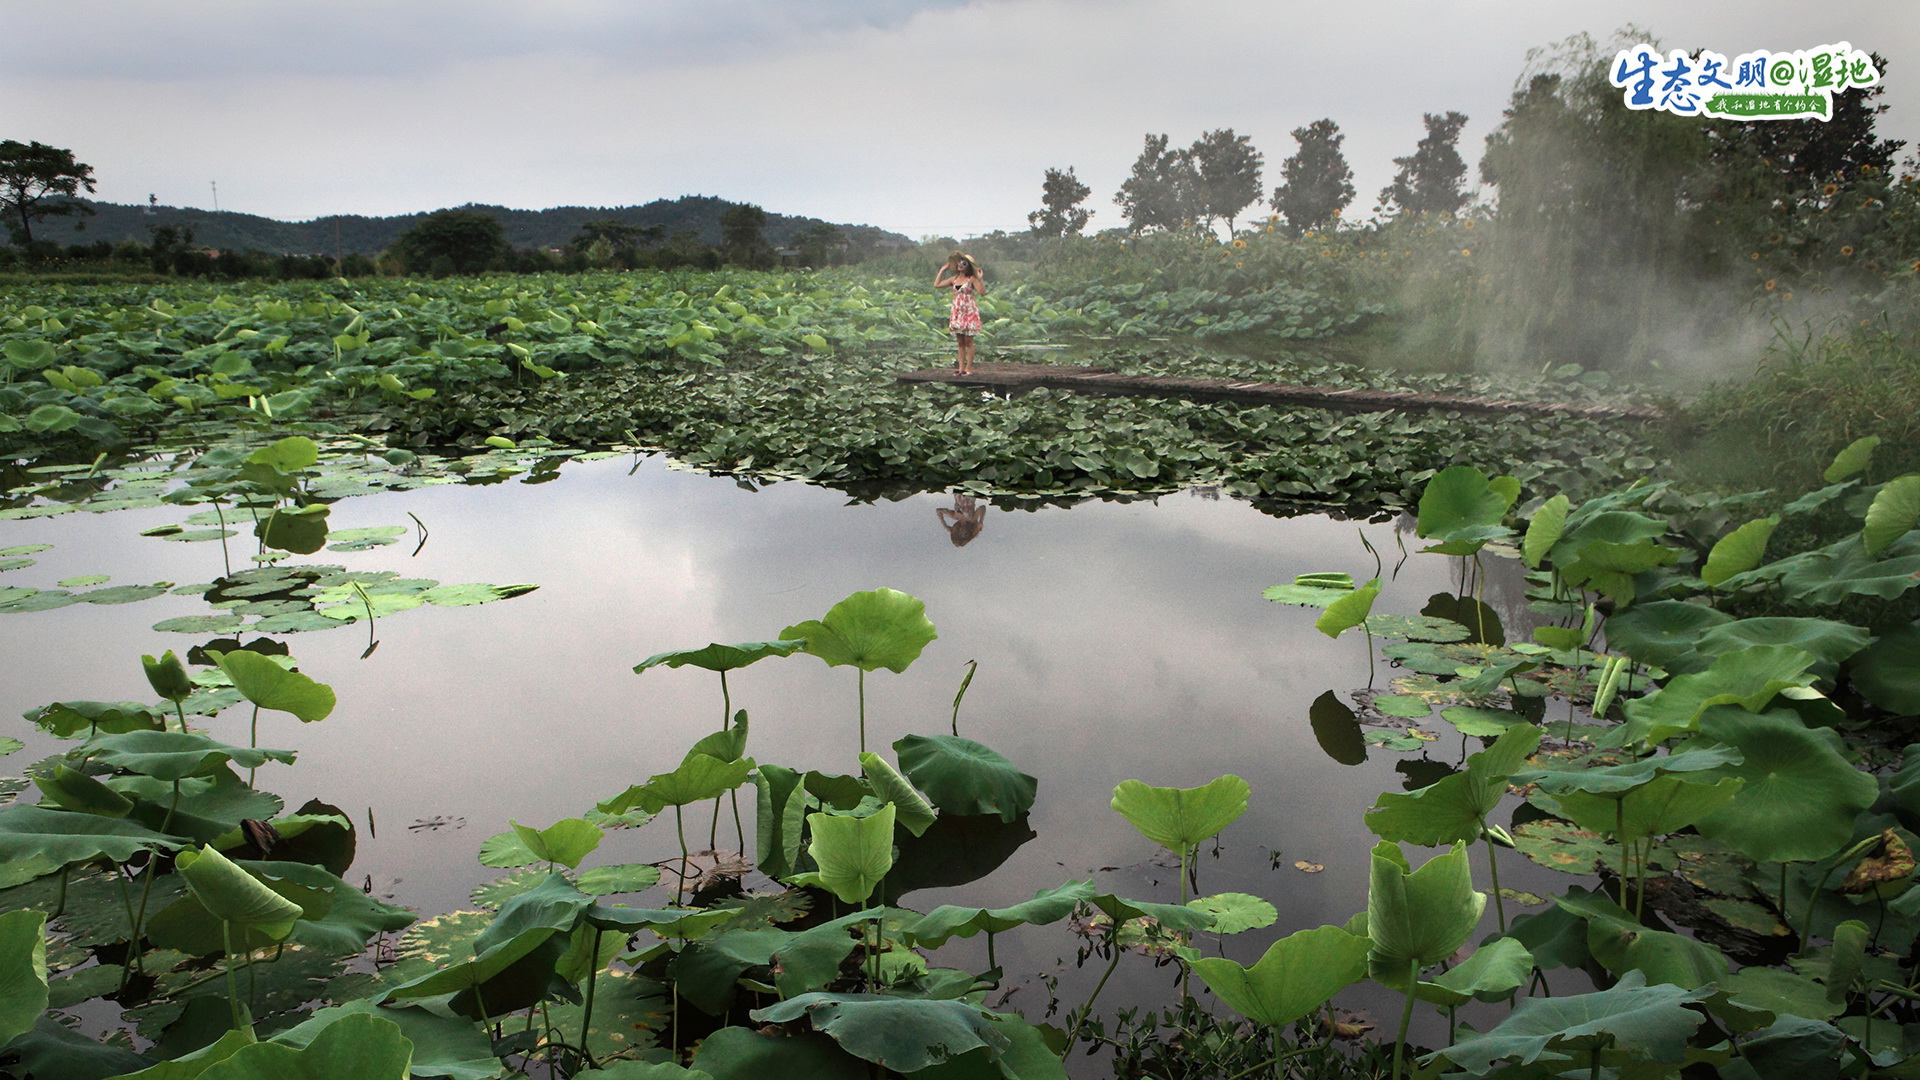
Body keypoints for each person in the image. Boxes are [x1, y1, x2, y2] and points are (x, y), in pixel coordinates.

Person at [934, 252, 985, 375]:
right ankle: (961, 368)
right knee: (960, 342)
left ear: (968, 267)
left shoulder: (971, 279)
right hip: (957, 312)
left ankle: (968, 368)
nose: (960, 265)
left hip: (968, 311)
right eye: (960, 262)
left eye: (964, 263)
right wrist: (942, 270)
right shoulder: (954, 279)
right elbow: (937, 285)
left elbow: (982, 292)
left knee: (969, 341)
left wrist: (980, 278)